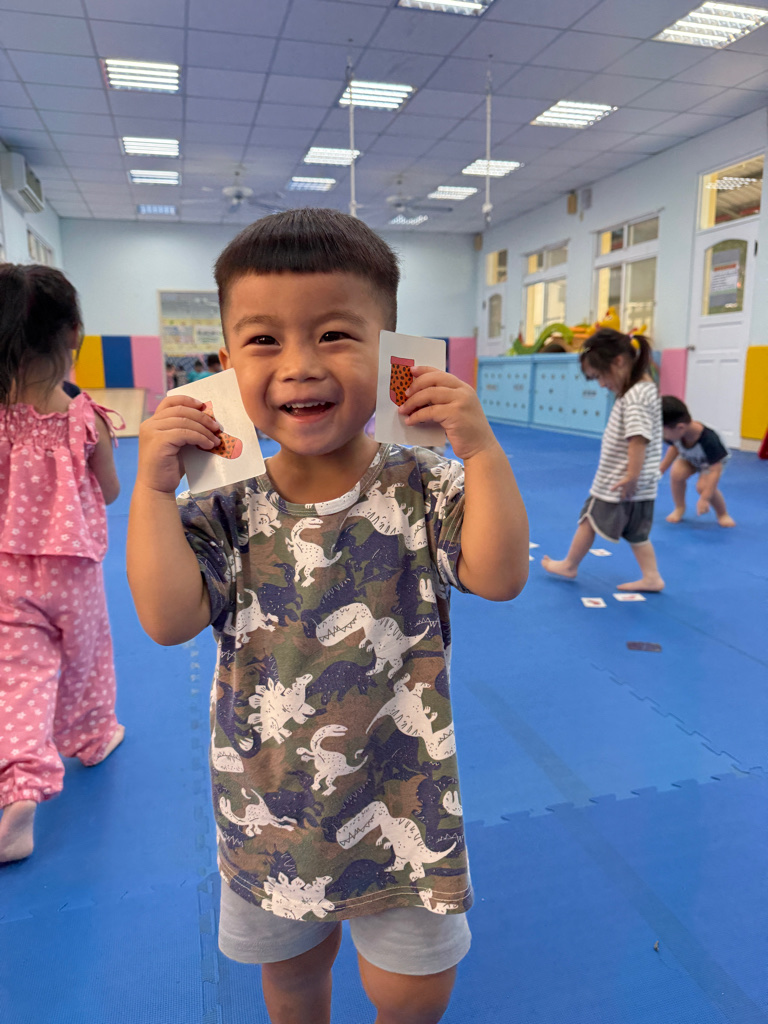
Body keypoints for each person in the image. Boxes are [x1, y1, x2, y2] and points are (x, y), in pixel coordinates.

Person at [127, 208, 529, 1024]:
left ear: (391, 354)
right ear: (226, 362)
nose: (300, 365)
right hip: (270, 809)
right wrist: (152, 489)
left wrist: (482, 451)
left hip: (405, 800)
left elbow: (499, 575)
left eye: (336, 335)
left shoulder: (424, 482)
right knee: (294, 978)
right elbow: (167, 621)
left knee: (413, 992)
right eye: (263, 340)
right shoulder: (225, 502)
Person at [0, 265, 124, 864]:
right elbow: (110, 491)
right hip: (73, 568)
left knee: (20, 677)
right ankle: (94, 737)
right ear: (74, 333)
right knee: (87, 655)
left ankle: (23, 791)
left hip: (6, 570)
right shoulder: (86, 417)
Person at [542, 328, 664, 592]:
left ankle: (570, 564)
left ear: (619, 361)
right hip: (640, 483)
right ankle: (652, 576)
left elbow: (638, 438)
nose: (601, 385)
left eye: (600, 376)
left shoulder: (635, 396)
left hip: (617, 480)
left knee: (589, 519)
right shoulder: (645, 388)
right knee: (637, 532)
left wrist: (631, 476)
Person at [660, 396, 735, 527]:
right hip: (689, 457)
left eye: (664, 432)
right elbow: (675, 448)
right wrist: (661, 469)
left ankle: (722, 513)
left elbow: (714, 470)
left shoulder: (709, 440)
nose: (663, 436)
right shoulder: (676, 433)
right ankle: (679, 507)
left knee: (703, 487)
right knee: (677, 473)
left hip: (711, 463)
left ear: (680, 427)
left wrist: (705, 498)